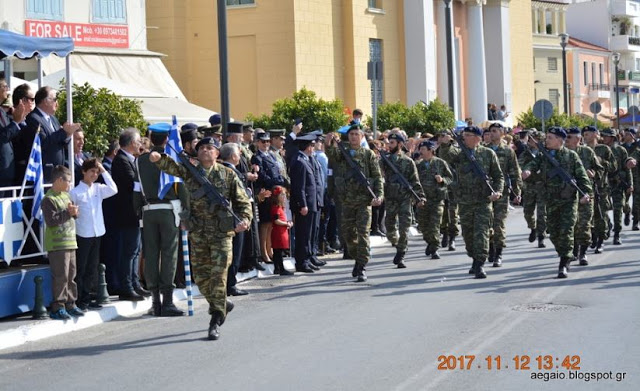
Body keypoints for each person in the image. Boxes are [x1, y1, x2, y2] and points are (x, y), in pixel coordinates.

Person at [150, 137, 252, 341]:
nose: (205, 151)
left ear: (217, 153)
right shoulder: (190, 172)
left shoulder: (228, 174)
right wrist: (157, 157)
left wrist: (245, 220)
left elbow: (242, 202)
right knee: (202, 278)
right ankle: (222, 303)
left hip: (221, 234)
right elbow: (172, 167)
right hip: (198, 234)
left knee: (218, 275)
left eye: (209, 148)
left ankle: (215, 319)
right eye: (201, 148)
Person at [522, 127, 592, 278]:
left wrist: (586, 193)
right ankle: (564, 253)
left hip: (568, 201)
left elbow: (582, 176)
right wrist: (527, 170)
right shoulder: (543, 156)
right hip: (550, 200)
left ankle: (564, 263)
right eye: (547, 137)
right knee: (553, 233)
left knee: (566, 231)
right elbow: (532, 165)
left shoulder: (571, 156)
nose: (546, 140)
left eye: (550, 138)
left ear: (560, 140)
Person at [134, 123, 188, 316]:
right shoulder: (171, 160)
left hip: (148, 211)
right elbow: (181, 187)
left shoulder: (139, 161)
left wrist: (137, 211)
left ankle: (155, 301)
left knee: (151, 256)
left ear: (151, 136)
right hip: (168, 211)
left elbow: (136, 189)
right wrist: (186, 213)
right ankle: (167, 301)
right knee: (168, 256)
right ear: (167, 139)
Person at [325, 124, 383, 282]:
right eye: (351, 134)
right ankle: (358, 258)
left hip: (364, 201)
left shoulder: (368, 154)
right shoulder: (342, 153)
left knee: (363, 234)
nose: (354, 137)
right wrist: (328, 142)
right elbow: (331, 154)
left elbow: (377, 176)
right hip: (346, 202)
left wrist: (379, 195)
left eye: (357, 134)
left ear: (362, 136)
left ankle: (362, 265)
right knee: (348, 236)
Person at [448, 126, 504, 279]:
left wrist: (497, 191)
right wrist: (449, 142)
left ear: (477, 138)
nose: (464, 137)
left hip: (483, 201)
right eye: (464, 135)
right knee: (468, 235)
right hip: (465, 201)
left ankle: (480, 264)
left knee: (481, 233)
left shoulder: (488, 154)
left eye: (467, 135)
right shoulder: (459, 154)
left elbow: (499, 176)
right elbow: (447, 156)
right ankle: (474, 258)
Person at [70, 158, 118, 311]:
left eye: (96, 172)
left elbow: (113, 189)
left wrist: (103, 170)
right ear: (84, 171)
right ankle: (78, 300)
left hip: (97, 232)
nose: (94, 175)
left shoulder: (98, 188)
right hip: (83, 233)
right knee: (81, 268)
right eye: (92, 171)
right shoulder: (75, 192)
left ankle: (87, 297)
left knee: (92, 268)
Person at [42, 165, 84, 319]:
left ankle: (71, 303)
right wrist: (69, 213)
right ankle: (58, 306)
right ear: (59, 180)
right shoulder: (49, 199)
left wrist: (75, 213)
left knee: (71, 275)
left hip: (71, 241)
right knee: (61, 276)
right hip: (57, 244)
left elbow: (73, 215)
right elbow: (52, 221)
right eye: (68, 182)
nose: (69, 185)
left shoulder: (66, 196)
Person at [111, 128, 148, 301]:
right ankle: (126, 287)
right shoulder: (122, 160)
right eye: (139, 141)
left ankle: (135, 284)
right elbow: (132, 183)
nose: (140, 144)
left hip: (135, 213)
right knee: (129, 251)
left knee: (135, 250)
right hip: (126, 213)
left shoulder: (131, 160)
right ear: (132, 143)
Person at [380, 133, 425, 268]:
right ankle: (396, 242)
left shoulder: (408, 161)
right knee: (389, 227)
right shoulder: (384, 160)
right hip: (390, 198)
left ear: (400, 144)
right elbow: (377, 173)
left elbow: (414, 180)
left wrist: (420, 196)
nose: (389, 145)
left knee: (404, 227)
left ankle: (401, 252)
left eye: (392, 143)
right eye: (389, 142)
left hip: (405, 198)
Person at [19, 86, 81, 182]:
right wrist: (64, 132)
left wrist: (68, 134)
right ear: (46, 101)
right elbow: (43, 142)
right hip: (44, 173)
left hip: (57, 172)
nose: (57, 104)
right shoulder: (33, 118)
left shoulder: (53, 119)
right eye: (55, 99)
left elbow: (61, 140)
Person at [487, 123, 522, 267]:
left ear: (502, 133)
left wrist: (517, 192)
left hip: (502, 192)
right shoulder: (484, 150)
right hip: (485, 192)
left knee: (498, 222)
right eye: (490, 131)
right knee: (487, 222)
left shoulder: (508, 152)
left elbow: (514, 172)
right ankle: (490, 248)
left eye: (495, 131)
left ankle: (498, 253)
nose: (492, 134)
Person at [219, 142, 252, 296]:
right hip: (235, 217)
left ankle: (230, 283)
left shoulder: (228, 171)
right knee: (234, 253)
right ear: (233, 156)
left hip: (234, 217)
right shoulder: (230, 172)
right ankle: (230, 285)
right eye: (238, 154)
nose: (240, 156)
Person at [564, 127, 599, 266]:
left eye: (569, 137)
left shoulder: (587, 152)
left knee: (584, 224)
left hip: (585, 192)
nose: (566, 140)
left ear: (578, 139)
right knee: (570, 225)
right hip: (567, 194)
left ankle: (583, 253)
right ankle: (573, 251)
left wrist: (594, 173)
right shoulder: (562, 154)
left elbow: (600, 168)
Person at [289, 133, 321, 273]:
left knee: (308, 233)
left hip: (311, 202)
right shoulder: (299, 162)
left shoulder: (305, 160)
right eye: (312, 146)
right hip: (305, 204)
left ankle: (307, 259)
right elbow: (299, 186)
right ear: (307, 147)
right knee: (303, 234)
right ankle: (301, 262)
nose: (313, 148)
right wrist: (303, 204)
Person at [416, 140, 453, 259]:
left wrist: (442, 180)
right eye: (420, 149)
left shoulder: (440, 163)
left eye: (423, 149)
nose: (420, 152)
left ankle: (435, 248)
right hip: (423, 200)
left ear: (430, 150)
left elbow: (450, 178)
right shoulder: (418, 165)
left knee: (435, 225)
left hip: (437, 200)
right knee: (423, 226)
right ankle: (430, 242)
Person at [582, 126, 615, 253]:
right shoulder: (582, 150)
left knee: (600, 214)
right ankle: (593, 236)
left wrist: (599, 162)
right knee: (587, 216)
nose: (586, 136)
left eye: (588, 134)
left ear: (596, 134)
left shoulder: (604, 149)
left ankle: (600, 241)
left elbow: (613, 166)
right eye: (584, 134)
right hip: (586, 188)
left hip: (601, 187)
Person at [600, 128, 633, 245]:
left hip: (618, 183)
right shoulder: (600, 150)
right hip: (604, 184)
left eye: (606, 136)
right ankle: (608, 224)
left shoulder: (621, 150)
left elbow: (627, 168)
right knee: (603, 208)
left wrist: (630, 184)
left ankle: (617, 234)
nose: (604, 138)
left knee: (618, 208)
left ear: (612, 137)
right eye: (603, 136)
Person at [518, 130, 547, 248]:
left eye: (533, 139)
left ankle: (541, 236)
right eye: (530, 139)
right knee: (528, 212)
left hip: (542, 186)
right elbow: (519, 166)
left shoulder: (546, 153)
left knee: (542, 213)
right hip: (529, 186)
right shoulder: (525, 153)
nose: (530, 141)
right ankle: (533, 228)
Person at [0, 81, 30, 188]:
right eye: (4, 86)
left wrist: (19, 119)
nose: (7, 89)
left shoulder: (4, 112)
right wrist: (16, 122)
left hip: (8, 171)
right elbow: (2, 137)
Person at [436, 129, 460, 251]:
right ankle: (444, 232)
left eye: (444, 135)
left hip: (453, 185)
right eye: (440, 136)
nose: (441, 138)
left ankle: (452, 237)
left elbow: (447, 153)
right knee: (443, 212)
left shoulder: (455, 149)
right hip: (440, 185)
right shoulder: (435, 150)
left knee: (452, 212)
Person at [270, 185, 294, 276]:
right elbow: (276, 220)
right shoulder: (275, 208)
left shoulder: (280, 208)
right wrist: (286, 224)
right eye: (282, 195)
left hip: (282, 232)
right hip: (278, 232)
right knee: (278, 251)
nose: (284, 197)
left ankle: (277, 268)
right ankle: (280, 268)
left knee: (278, 251)